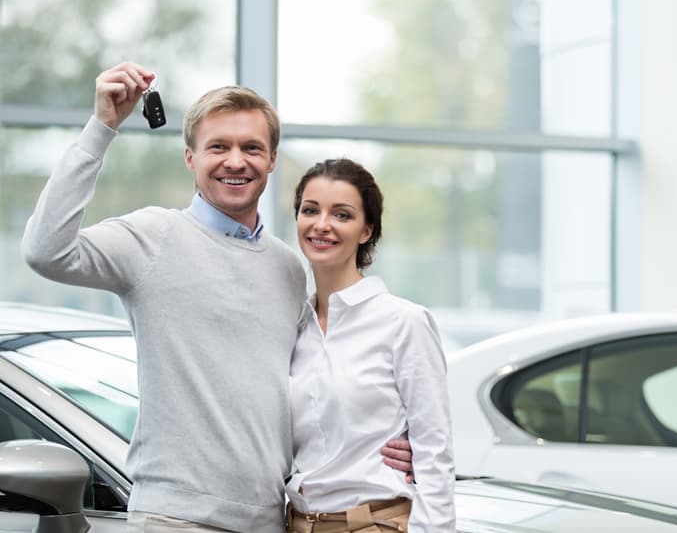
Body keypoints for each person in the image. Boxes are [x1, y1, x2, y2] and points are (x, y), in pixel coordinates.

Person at [21, 62, 412, 533]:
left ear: (271, 160)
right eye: (218, 147)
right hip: (175, 518)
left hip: (272, 519)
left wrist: (386, 440)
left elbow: (313, 389)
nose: (235, 161)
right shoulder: (153, 237)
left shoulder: (289, 267)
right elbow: (45, 251)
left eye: (251, 147)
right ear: (191, 158)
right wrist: (102, 127)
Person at [284, 159, 456, 532]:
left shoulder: (402, 322)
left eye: (342, 214)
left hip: (374, 524)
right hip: (297, 523)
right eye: (310, 210)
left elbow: (435, 452)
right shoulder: (294, 328)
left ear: (366, 231)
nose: (322, 224)